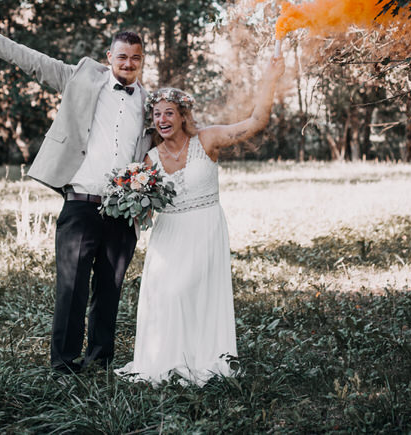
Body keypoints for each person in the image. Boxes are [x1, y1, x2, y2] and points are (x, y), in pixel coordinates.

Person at [0, 21, 151, 374]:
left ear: (142, 62)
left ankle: (100, 360)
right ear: (109, 57)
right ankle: (63, 363)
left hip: (123, 210)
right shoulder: (81, 77)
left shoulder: (149, 104)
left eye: (135, 58)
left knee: (110, 289)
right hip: (80, 202)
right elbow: (33, 61)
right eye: (122, 56)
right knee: (71, 287)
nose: (128, 63)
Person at [116, 52, 285, 386]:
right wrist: (132, 201)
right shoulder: (150, 158)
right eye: (157, 113)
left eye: (169, 113)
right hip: (169, 234)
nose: (162, 119)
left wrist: (270, 80)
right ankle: (165, 361)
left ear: (182, 116)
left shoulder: (208, 140)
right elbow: (144, 207)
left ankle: (202, 358)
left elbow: (256, 123)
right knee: (166, 294)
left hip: (205, 228)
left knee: (190, 292)